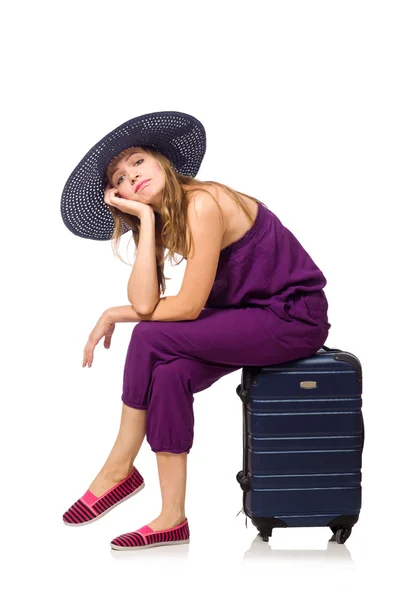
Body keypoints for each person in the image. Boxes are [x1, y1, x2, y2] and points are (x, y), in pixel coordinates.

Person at [60, 110, 331, 551]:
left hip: (291, 318)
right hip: (246, 320)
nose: (133, 177)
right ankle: (172, 518)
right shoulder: (167, 220)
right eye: (122, 179)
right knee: (169, 374)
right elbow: (148, 302)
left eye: (138, 162)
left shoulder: (203, 202)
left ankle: (119, 465)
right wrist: (146, 223)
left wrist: (113, 312)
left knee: (149, 337)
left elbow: (183, 309)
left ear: (162, 161)